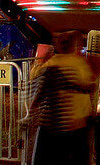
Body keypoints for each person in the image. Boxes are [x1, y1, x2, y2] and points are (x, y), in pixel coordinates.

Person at [29, 30, 94, 165]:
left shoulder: (53, 62)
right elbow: (89, 85)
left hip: (52, 124)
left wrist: (33, 106)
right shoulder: (78, 64)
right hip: (75, 122)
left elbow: (37, 80)